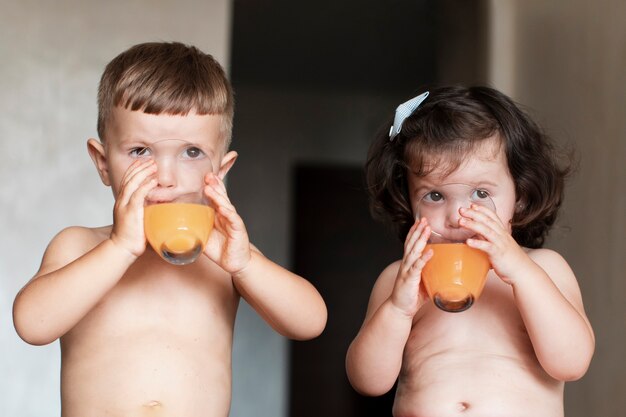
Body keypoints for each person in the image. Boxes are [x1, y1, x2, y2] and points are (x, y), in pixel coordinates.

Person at [13, 42, 327, 417]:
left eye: (191, 152)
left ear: (221, 171)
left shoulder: (226, 255)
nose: (166, 177)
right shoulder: (79, 245)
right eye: (140, 151)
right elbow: (32, 325)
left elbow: (310, 322)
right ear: (102, 163)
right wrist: (119, 248)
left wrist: (245, 265)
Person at [345, 86, 594, 416]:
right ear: (409, 202)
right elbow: (368, 381)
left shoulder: (544, 268)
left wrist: (521, 273)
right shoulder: (399, 280)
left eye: (480, 193)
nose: (456, 216)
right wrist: (397, 309)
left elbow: (572, 363)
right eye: (435, 196)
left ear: (519, 197)